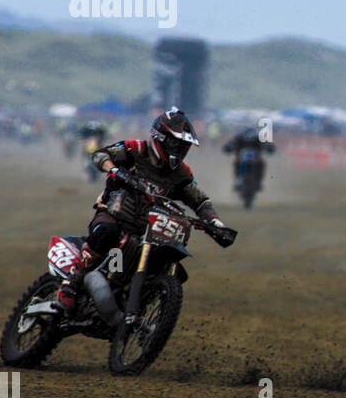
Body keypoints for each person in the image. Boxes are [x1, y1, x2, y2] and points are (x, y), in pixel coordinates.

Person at [54, 107, 226, 311]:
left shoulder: (181, 173)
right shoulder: (135, 150)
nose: (179, 150)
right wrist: (115, 170)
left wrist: (215, 222)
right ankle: (71, 284)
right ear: (160, 137)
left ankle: (142, 307)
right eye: (175, 144)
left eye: (184, 146)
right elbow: (100, 155)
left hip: (149, 229)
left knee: (170, 263)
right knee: (108, 234)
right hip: (115, 214)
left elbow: (199, 200)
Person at [222, 126, 276, 191]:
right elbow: (231, 144)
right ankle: (238, 179)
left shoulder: (258, 138)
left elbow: (266, 144)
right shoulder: (239, 137)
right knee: (236, 161)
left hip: (256, 159)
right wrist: (228, 147)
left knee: (262, 162)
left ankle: (259, 181)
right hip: (241, 159)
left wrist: (269, 148)